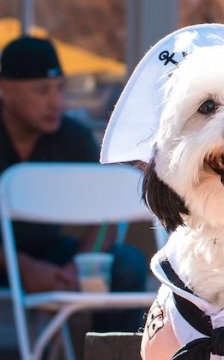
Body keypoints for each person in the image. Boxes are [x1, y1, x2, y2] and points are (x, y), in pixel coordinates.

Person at [0, 36, 149, 330]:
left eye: (60, 88)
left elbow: (110, 213)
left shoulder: (73, 136)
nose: (56, 102)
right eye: (42, 91)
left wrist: (82, 263)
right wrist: (22, 267)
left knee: (127, 263)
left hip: (51, 255)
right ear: (5, 90)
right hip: (6, 263)